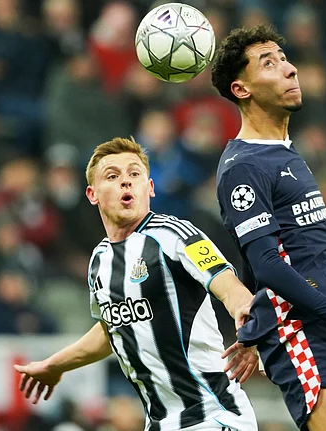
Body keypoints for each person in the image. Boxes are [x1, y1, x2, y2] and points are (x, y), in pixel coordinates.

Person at [210, 24, 326, 431]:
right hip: (302, 324)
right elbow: (269, 266)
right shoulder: (245, 166)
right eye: (269, 63)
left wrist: (253, 327)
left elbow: (264, 253)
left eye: (284, 58)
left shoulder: (285, 153)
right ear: (242, 89)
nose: (290, 69)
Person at [13, 137, 259, 431]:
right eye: (113, 176)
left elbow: (227, 284)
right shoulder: (100, 260)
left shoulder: (176, 235)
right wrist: (55, 366)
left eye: (134, 174)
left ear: (150, 188)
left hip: (213, 416)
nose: (126, 182)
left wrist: (247, 317)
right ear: (93, 194)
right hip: (160, 424)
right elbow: (112, 329)